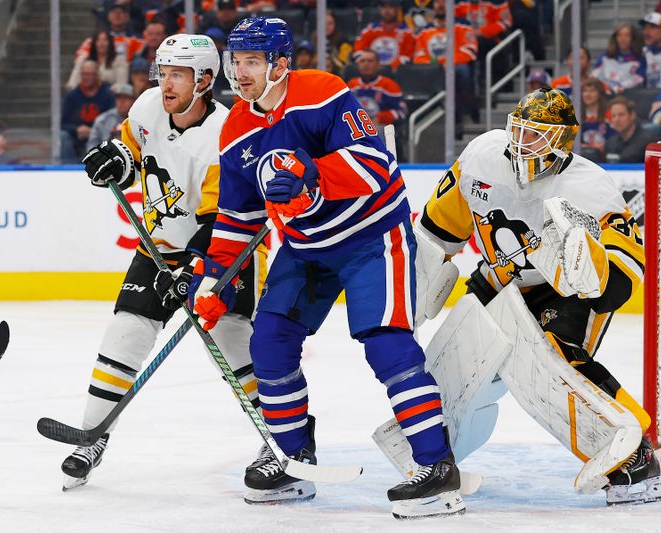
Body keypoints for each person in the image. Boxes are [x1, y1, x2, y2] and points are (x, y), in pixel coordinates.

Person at [194, 17, 463, 519]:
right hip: (304, 249)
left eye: (252, 61)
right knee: (268, 342)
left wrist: (312, 170)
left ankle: (436, 467)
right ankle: (293, 456)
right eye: (236, 61)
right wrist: (215, 278)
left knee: (387, 345)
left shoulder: (322, 92)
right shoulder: (234, 130)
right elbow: (237, 217)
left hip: (372, 237)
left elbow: (375, 164)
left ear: (280, 63)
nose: (241, 72)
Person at [414, 86, 661, 505]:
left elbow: (624, 277)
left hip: (565, 291)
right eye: (520, 131)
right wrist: (421, 281)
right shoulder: (482, 157)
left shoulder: (591, 187)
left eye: (537, 135)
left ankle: (633, 454)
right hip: (499, 278)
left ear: (562, 141)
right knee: (456, 362)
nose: (522, 143)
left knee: (551, 361)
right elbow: (438, 230)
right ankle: (435, 455)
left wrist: (590, 274)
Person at [59, 34, 263, 491]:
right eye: (163, 71)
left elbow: (220, 217)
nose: (165, 82)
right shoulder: (150, 105)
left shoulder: (223, 135)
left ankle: (279, 441)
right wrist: (115, 160)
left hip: (222, 253)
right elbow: (132, 150)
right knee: (126, 330)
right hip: (159, 246)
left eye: (178, 74)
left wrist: (197, 269)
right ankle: (92, 436)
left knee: (235, 342)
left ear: (205, 80)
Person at [414, 0, 479, 123]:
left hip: (454, 67)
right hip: (433, 69)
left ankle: (465, 112)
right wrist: (435, 66)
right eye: (437, 2)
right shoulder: (425, 30)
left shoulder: (463, 25)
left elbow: (469, 51)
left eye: (444, 2)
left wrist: (447, 64)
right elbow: (419, 55)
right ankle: (428, 113)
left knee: (462, 71)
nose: (440, 5)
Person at [60, 60, 116, 162]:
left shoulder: (107, 94)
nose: (86, 77)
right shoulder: (72, 96)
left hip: (101, 136)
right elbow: (63, 123)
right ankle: (69, 168)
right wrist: (76, 129)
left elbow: (113, 117)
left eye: (90, 74)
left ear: (97, 75)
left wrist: (94, 130)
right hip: (78, 137)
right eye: (84, 74)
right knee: (63, 136)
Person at [347, 49, 407, 130]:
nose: (366, 64)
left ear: (378, 65)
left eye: (370, 61)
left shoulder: (389, 85)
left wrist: (381, 118)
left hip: (381, 129)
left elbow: (402, 111)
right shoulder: (352, 84)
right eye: (362, 61)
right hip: (356, 128)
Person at [353, 0, 416, 69]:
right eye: (383, 7)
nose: (386, 10)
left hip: (396, 74)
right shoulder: (369, 30)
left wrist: (388, 68)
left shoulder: (407, 32)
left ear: (398, 9)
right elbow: (358, 52)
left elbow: (407, 57)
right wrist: (372, 67)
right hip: (371, 72)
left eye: (390, 7)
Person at [591, 23, 646, 93]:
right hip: (605, 94)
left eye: (627, 35)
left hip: (629, 95)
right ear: (615, 38)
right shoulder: (605, 55)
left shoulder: (639, 59)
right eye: (620, 35)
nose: (623, 39)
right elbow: (595, 75)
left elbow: (639, 80)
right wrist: (608, 86)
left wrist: (619, 87)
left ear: (632, 38)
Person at [605, 96, 659, 163]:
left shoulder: (648, 142)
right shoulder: (610, 143)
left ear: (632, 115)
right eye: (613, 116)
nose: (617, 120)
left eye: (621, 115)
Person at [87, 82, 136, 150]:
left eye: (126, 98)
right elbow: (91, 145)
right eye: (118, 98)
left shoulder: (138, 120)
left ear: (134, 101)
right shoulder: (103, 120)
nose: (122, 101)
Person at [578, 77, 612, 162]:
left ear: (600, 94)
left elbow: (616, 139)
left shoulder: (610, 114)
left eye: (592, 91)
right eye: (585, 91)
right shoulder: (576, 115)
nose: (587, 94)